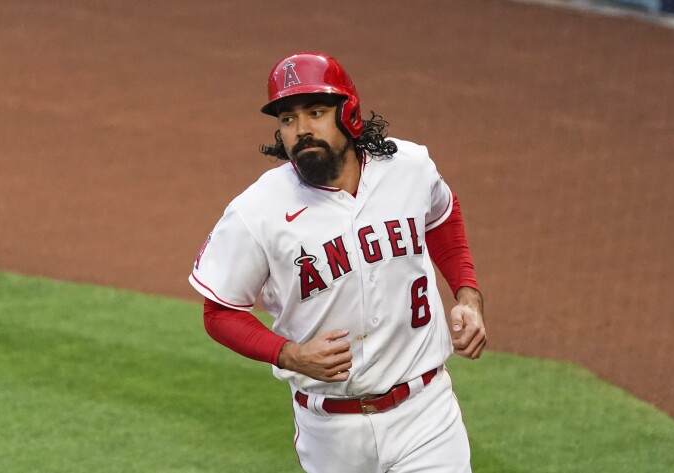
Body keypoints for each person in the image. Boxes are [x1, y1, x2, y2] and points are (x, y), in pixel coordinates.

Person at [189, 51, 486, 473]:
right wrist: (287, 354)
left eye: (316, 112)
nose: (301, 130)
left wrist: (467, 294)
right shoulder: (257, 211)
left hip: (426, 414)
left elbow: (442, 214)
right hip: (330, 433)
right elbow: (219, 311)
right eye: (288, 119)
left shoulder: (408, 168)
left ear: (350, 114)